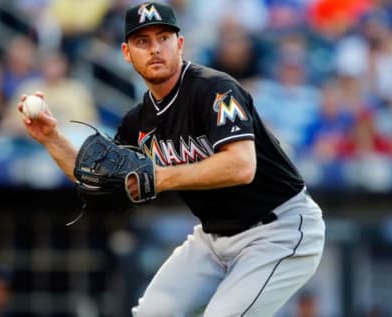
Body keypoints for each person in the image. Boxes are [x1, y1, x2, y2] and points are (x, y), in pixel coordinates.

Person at [17, 2, 326, 316]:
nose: (154, 49)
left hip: (279, 229)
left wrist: (159, 176)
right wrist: (50, 138)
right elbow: (93, 174)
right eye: (142, 41)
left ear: (179, 44)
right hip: (212, 238)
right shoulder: (138, 121)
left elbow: (241, 166)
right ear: (126, 53)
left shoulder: (215, 89)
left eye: (163, 38)